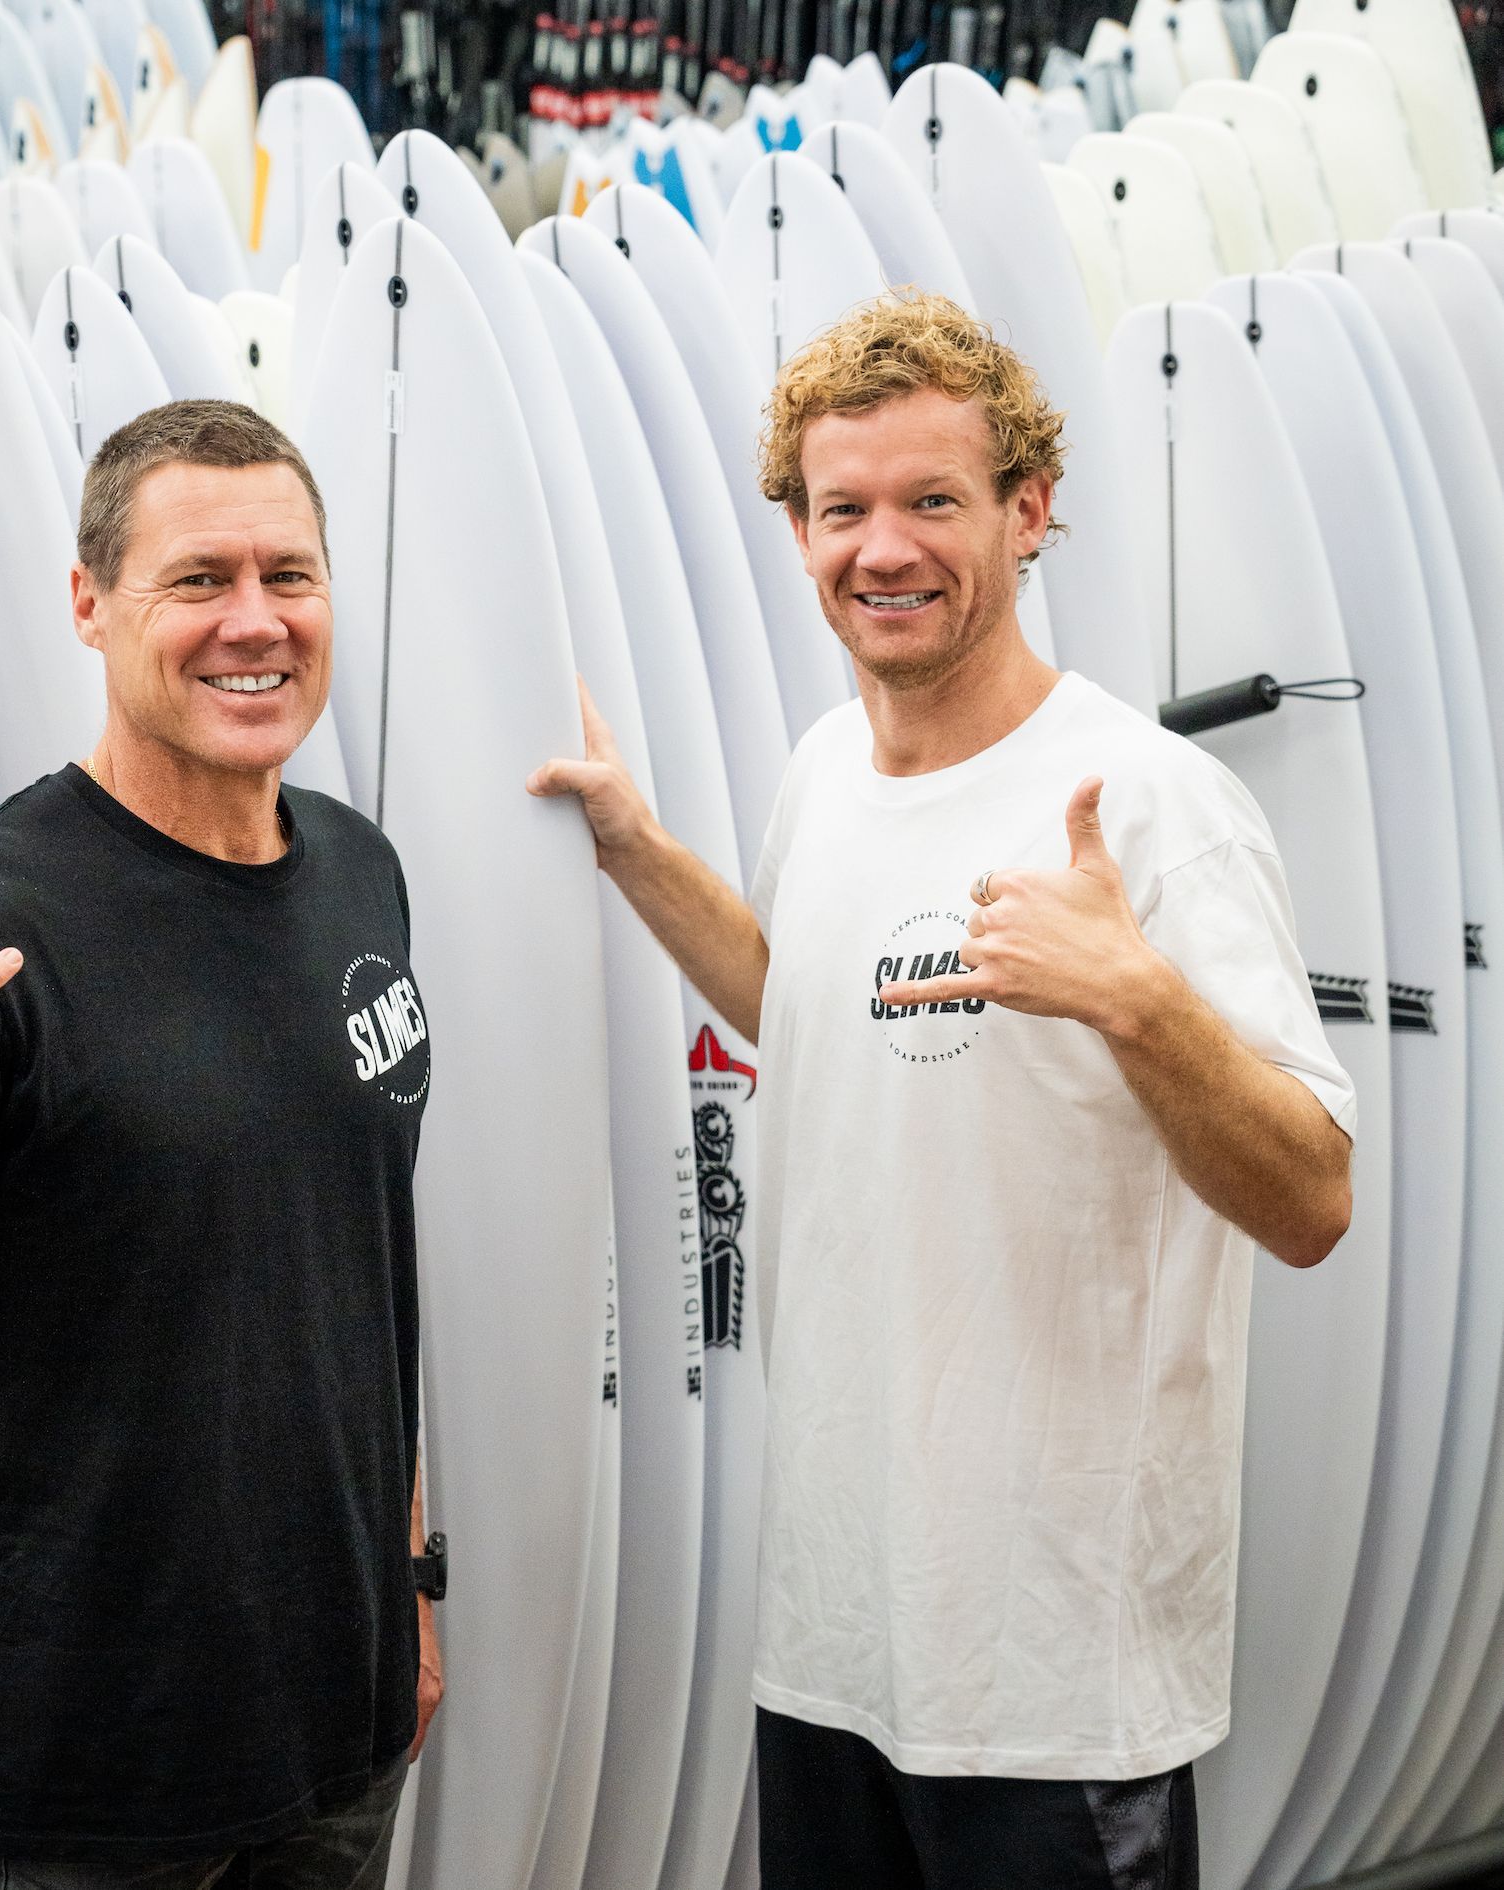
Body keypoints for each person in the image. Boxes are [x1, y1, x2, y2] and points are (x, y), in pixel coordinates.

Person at [530, 293, 1354, 1889]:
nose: (881, 548)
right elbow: (810, 1012)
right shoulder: (822, 772)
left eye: (932, 501)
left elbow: (1313, 1196)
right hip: (836, 1638)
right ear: (797, 528)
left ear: (1028, 510)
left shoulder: (1150, 808)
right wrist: (635, 848)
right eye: (842, 508)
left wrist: (1134, 1000)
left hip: (1052, 1681)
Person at [0, 400, 441, 1890]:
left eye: (288, 576)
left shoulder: (361, 871)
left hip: (344, 1735)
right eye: (198, 581)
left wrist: (412, 1583)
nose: (255, 622)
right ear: (90, 605)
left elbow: (355, 1268)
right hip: (96, 1786)